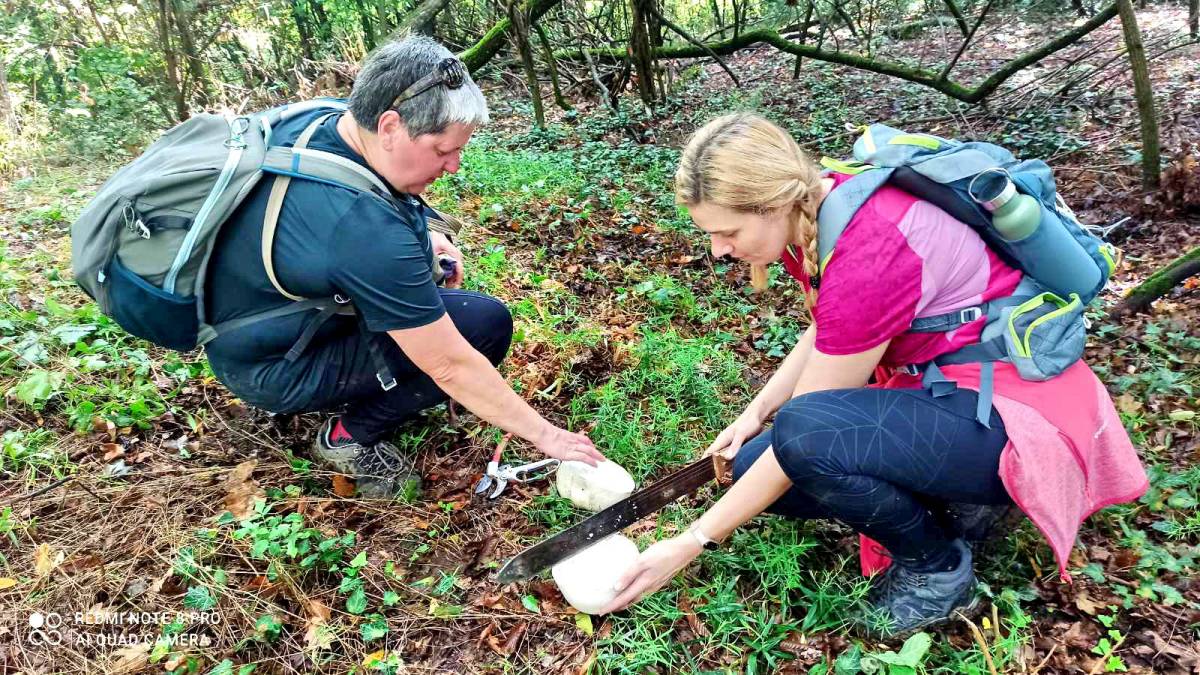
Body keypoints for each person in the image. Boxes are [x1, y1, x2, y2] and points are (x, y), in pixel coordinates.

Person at [601, 113, 1147, 637]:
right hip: (951, 392)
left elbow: (810, 425)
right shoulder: (821, 205)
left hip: (1020, 413)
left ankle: (939, 570)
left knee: (804, 440)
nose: (719, 250)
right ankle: (954, 503)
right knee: (753, 466)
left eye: (727, 232)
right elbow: (828, 330)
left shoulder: (871, 248)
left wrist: (691, 541)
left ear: (771, 203)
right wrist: (754, 412)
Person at [204, 35, 603, 498]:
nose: (453, 166)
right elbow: (451, 364)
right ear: (391, 126)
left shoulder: (327, 119)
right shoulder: (360, 229)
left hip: (256, 330)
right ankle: (346, 438)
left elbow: (372, 198)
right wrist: (549, 437)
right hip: (273, 368)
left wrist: (429, 233)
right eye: (441, 151)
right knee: (482, 329)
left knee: (469, 313)